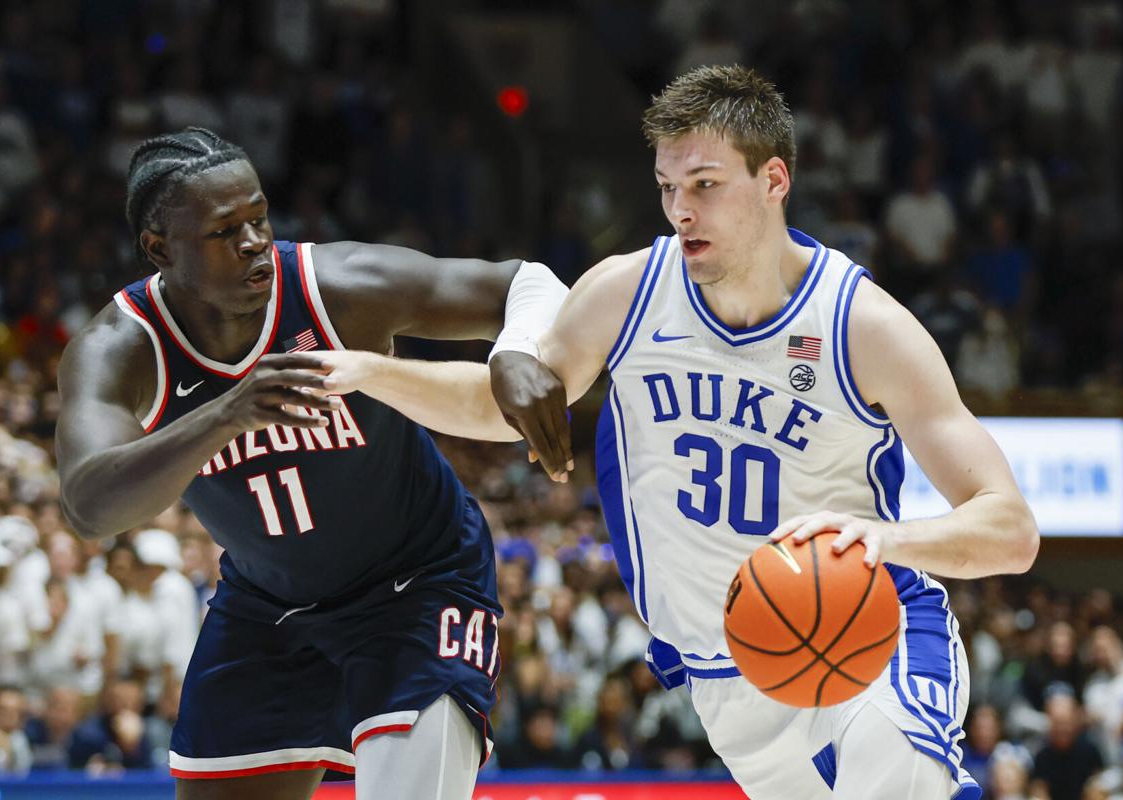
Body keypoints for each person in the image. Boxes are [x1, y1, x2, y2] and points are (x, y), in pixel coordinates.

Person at [317, 65, 1039, 799]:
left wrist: (888, 543)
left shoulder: (865, 327)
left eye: (705, 184)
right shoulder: (625, 293)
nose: (679, 210)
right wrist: (369, 374)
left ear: (774, 180)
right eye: (667, 187)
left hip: (866, 635)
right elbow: (500, 409)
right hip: (729, 670)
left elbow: (1011, 527)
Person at [54, 127, 570, 799]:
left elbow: (525, 283)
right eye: (222, 231)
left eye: (258, 217)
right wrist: (227, 413)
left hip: (418, 583)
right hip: (266, 608)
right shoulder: (119, 349)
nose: (253, 243)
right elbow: (88, 508)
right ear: (159, 248)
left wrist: (516, 351)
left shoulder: (336, 286)